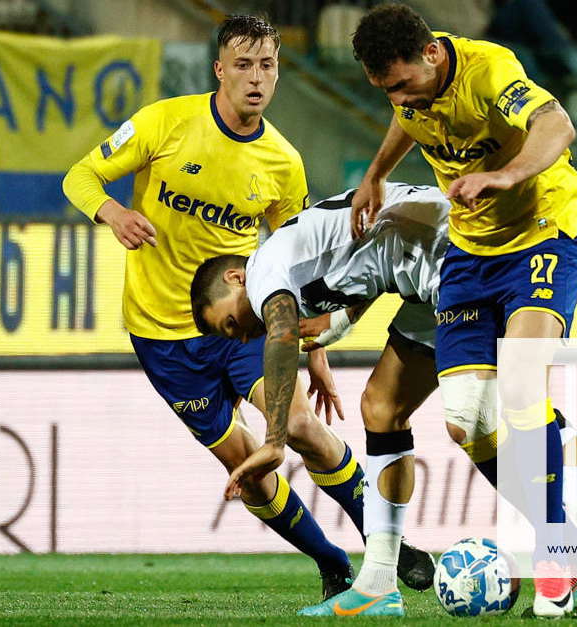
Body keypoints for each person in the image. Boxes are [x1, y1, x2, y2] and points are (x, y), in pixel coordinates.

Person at [61, 14, 429, 600]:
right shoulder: (165, 122)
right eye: (243, 65)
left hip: (244, 322)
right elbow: (80, 176)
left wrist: (316, 357)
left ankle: (386, 544)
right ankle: (331, 562)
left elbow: (304, 273)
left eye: (267, 66)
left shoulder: (283, 162)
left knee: (301, 426)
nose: (256, 78)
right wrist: (113, 213)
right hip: (161, 338)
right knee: (246, 468)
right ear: (219, 70)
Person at [193, 183, 577, 617]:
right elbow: (366, 259)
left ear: (236, 277)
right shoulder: (292, 269)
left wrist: (273, 441)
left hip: (468, 257)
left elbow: (282, 331)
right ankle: (379, 584)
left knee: (517, 398)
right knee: (388, 408)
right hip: (432, 281)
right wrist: (342, 322)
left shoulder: (263, 269)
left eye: (232, 323)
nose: (243, 334)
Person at [341, 4, 577, 618]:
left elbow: (559, 127)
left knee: (524, 384)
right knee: (468, 420)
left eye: (400, 85)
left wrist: (506, 175)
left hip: (542, 234)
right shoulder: (408, 89)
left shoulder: (489, 70)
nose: (398, 99)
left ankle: (555, 552)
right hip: (470, 254)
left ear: (432, 55)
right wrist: (374, 175)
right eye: (385, 90)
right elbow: (408, 120)